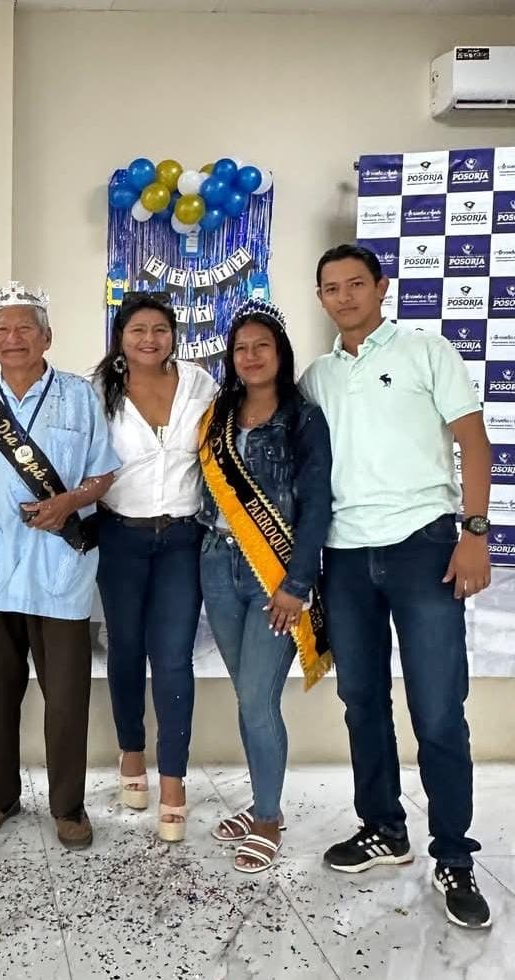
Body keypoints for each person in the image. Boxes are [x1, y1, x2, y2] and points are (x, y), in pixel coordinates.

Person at [301, 244, 494, 929]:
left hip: (425, 545)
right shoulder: (317, 377)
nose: (345, 296)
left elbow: (474, 441)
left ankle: (454, 855)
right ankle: (384, 827)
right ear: (320, 298)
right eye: (332, 287)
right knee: (361, 700)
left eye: (357, 283)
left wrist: (475, 532)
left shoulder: (426, 352)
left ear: (381, 287)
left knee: (438, 708)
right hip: (346, 557)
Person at [0, 281, 119, 851]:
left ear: (47, 337)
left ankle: (69, 807)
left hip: (59, 566)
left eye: (25, 327)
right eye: (2, 329)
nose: (13, 338)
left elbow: (104, 472)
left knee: (66, 698)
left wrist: (71, 501)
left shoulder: (80, 396)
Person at [197, 300, 332, 873]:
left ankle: (270, 818)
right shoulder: (219, 416)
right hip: (216, 564)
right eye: (241, 348)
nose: (251, 357)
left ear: (281, 354)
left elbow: (318, 504)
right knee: (247, 695)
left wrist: (298, 582)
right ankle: (261, 801)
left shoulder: (303, 418)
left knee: (257, 698)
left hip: (275, 578)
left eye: (262, 346)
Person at [91, 292, 216, 841]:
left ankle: (173, 781)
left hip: (182, 540)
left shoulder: (201, 385)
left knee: (172, 658)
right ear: (120, 337)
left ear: (173, 336)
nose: (149, 339)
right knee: (125, 648)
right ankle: (131, 752)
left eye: (160, 330)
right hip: (121, 537)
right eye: (137, 330)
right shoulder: (98, 391)